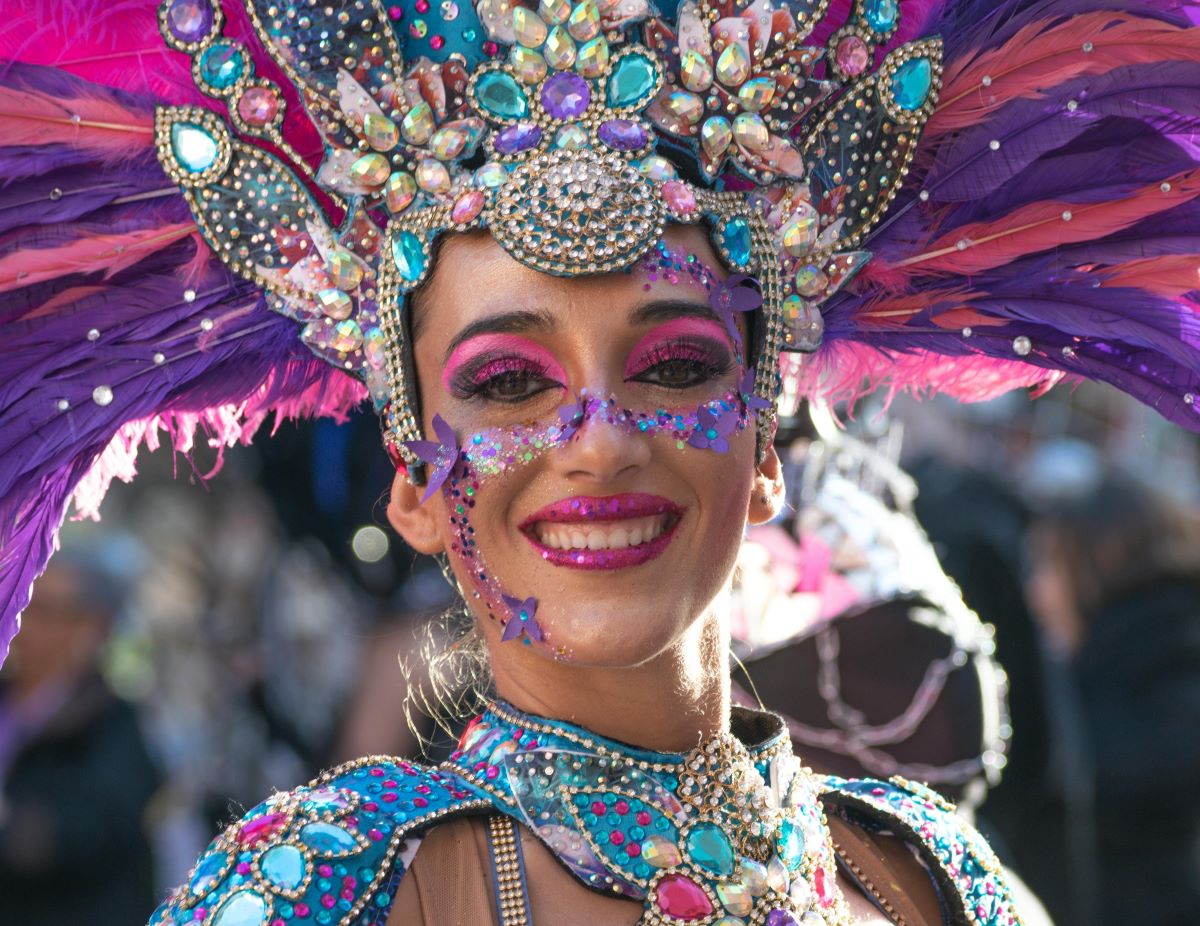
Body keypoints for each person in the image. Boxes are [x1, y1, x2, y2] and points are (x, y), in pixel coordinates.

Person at [2, 1, 1199, 924]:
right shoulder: (326, 889)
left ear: (766, 451)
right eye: (510, 383)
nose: (602, 435)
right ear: (416, 487)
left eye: (674, 367)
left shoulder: (926, 877)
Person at [1025, 477, 1200, 926]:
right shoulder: (1134, 666)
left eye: (1050, 566)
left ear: (1102, 565)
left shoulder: (1152, 685)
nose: (1038, 593)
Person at [0, 529, 160, 925]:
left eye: (42, 609)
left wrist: (15, 826)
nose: (22, 621)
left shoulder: (114, 724)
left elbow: (92, 833)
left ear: (92, 627)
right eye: (17, 600)